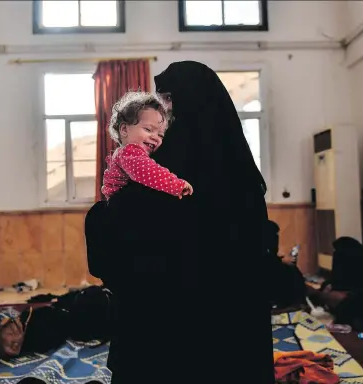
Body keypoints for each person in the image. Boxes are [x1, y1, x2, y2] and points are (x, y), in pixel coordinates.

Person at [86, 61, 275, 384]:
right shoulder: (235, 173)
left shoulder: (169, 170)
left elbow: (117, 240)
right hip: (223, 333)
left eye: (169, 100)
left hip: (168, 326)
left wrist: (103, 215)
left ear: (193, 102)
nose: (164, 112)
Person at [101, 91, 193, 200]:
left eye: (160, 135)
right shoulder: (129, 152)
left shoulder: (123, 153)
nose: (155, 137)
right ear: (124, 129)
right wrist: (176, 184)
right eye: (148, 129)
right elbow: (149, 172)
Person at [0, 286, 112, 359]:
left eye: (10, 333)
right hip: (82, 321)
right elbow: (64, 323)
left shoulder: (23, 319)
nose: (15, 339)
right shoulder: (37, 338)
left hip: (70, 309)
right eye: (14, 346)